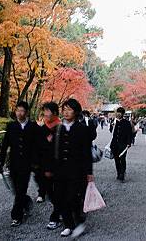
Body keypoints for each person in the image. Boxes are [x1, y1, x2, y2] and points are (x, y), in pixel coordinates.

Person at [52, 98, 93, 237]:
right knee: (60, 198)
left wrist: (89, 172)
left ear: (76, 112)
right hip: (60, 170)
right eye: (64, 109)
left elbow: (86, 152)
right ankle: (68, 225)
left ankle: (80, 221)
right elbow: (52, 151)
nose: (66, 112)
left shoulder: (82, 129)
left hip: (77, 171)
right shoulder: (58, 128)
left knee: (73, 198)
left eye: (69, 109)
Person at [0, 101, 40, 227]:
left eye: (22, 111)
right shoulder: (11, 126)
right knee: (17, 189)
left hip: (26, 164)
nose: (19, 113)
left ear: (26, 112)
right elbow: (5, 144)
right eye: (17, 110)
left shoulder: (33, 127)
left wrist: (37, 162)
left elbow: (39, 145)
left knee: (21, 189)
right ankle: (26, 202)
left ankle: (16, 216)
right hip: (14, 163)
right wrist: (1, 159)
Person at [37, 102, 62, 230]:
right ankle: (61, 210)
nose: (46, 114)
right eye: (44, 111)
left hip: (59, 167)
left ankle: (55, 217)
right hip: (45, 167)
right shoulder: (42, 129)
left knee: (58, 192)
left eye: (48, 111)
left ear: (55, 113)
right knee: (51, 193)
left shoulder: (61, 128)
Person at [110, 107, 132, 182]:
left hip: (123, 144)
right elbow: (111, 131)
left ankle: (122, 173)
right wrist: (112, 124)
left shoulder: (127, 123)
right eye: (117, 112)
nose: (118, 114)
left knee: (122, 159)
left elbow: (129, 134)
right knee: (116, 159)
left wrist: (129, 143)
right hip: (114, 144)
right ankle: (118, 172)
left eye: (119, 113)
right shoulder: (114, 122)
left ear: (122, 114)